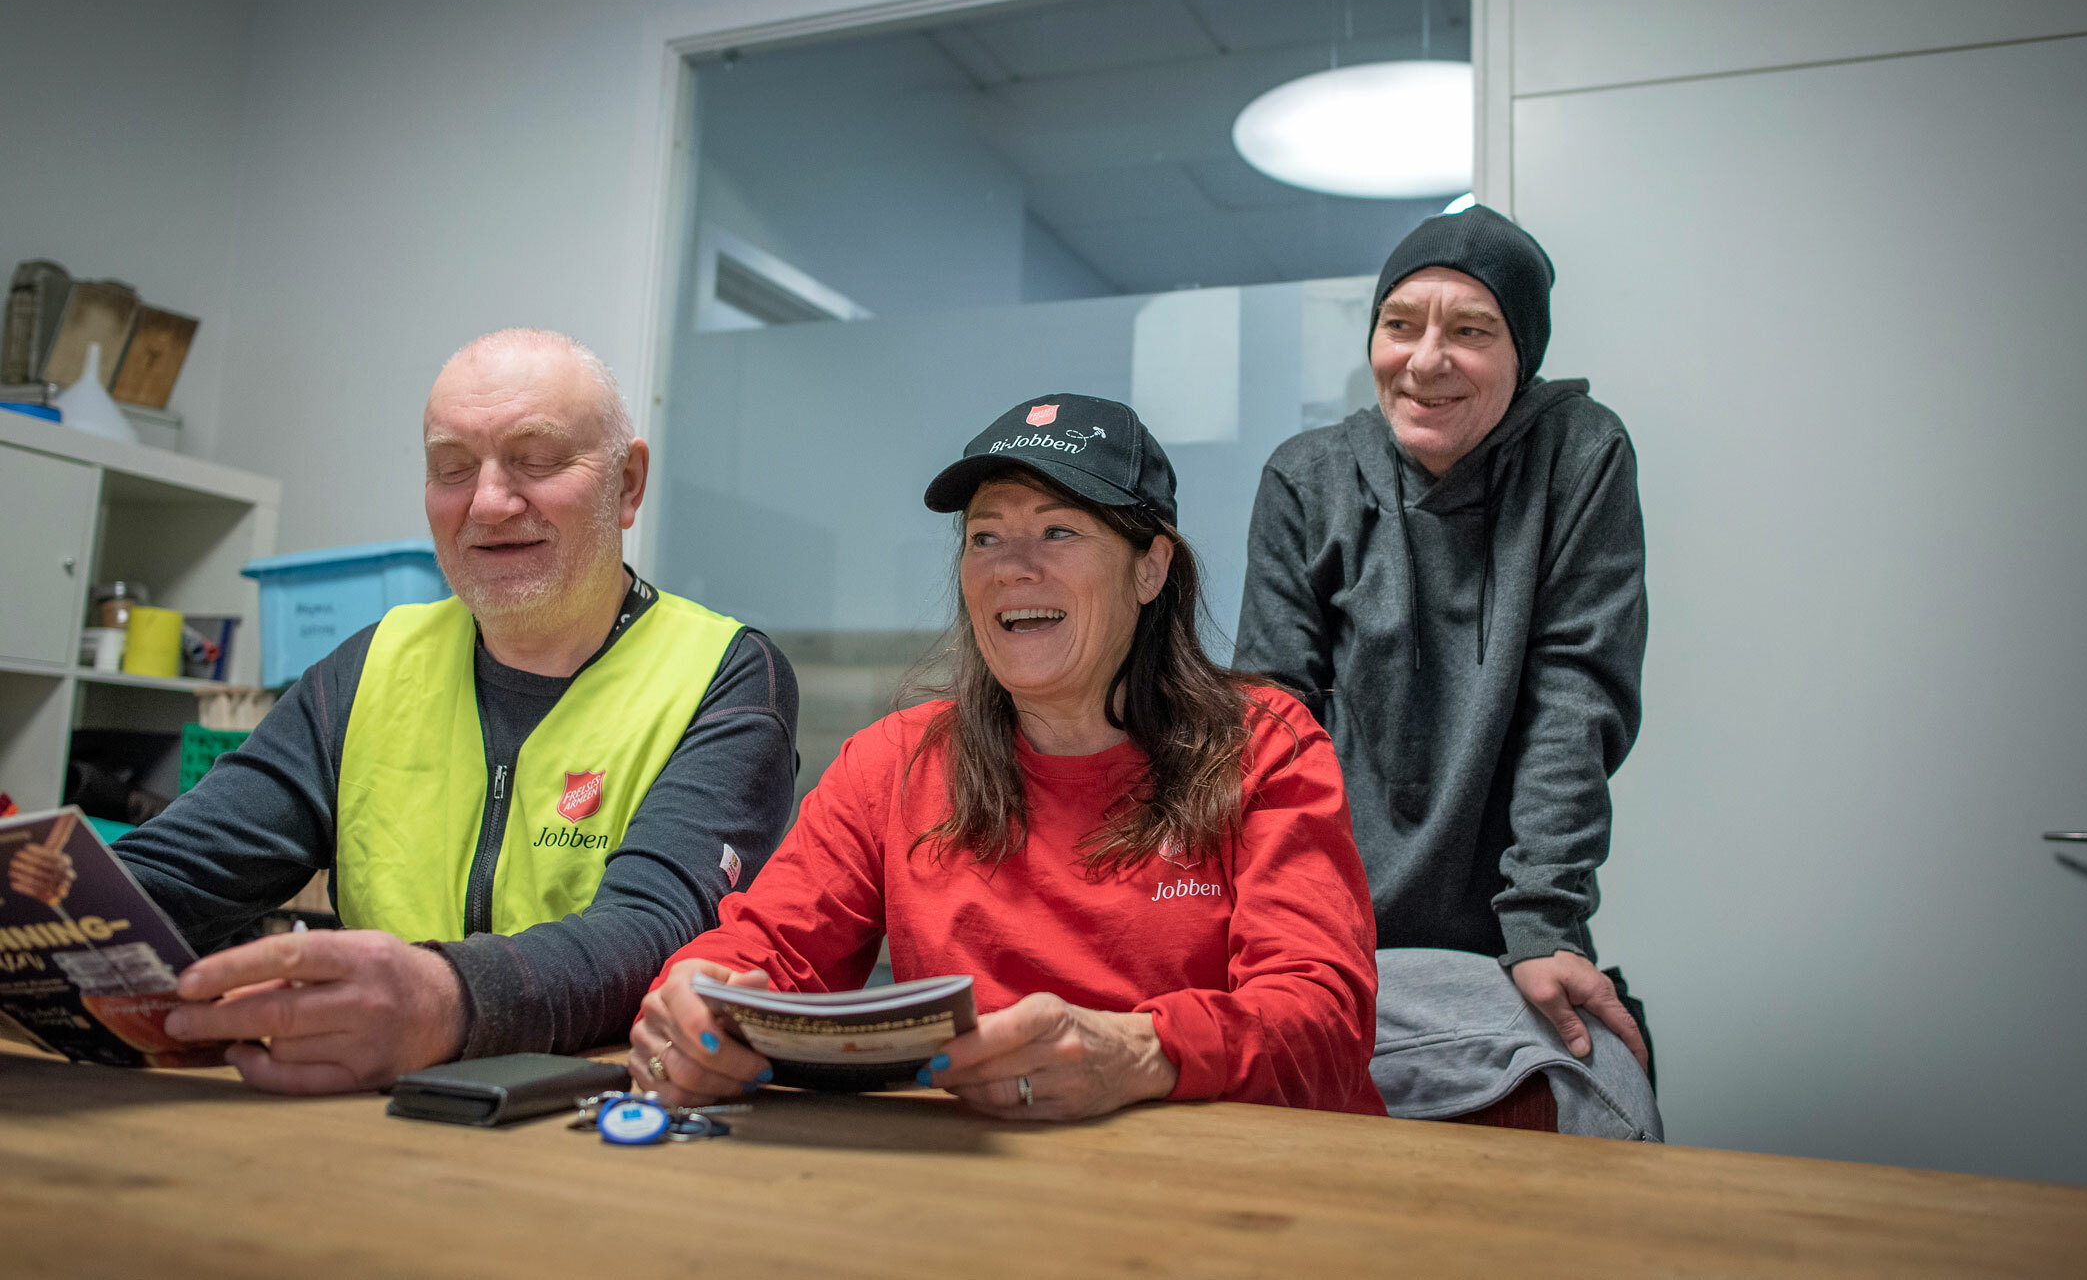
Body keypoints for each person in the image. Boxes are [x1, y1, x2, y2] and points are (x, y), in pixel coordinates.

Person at [630, 394, 1384, 1119]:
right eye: (984, 537)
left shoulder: (1263, 747)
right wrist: (699, 993)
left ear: (1150, 568)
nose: (1011, 568)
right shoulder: (894, 761)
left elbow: (1322, 1024)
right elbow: (768, 950)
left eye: (1059, 532)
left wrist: (1140, 1051)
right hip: (988, 1177)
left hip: (1238, 1184)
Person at [112, 329, 798, 1094]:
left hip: (603, 1121)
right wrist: (44, 913)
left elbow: (657, 931)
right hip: (368, 1114)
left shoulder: (725, 674)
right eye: (452, 468)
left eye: (537, 461)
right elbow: (182, 870)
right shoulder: (373, 665)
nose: (490, 502)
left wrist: (446, 1000)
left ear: (628, 484)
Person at [1234, 206, 1658, 1132]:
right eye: (1401, 325)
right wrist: (1278, 932)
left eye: (1470, 330)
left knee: (1602, 1093)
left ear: (1523, 353)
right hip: (1321, 928)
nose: (1426, 360)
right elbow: (1271, 722)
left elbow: (1574, 701)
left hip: (1500, 935)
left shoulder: (1580, 455)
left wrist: (1543, 923)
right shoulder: (1309, 477)